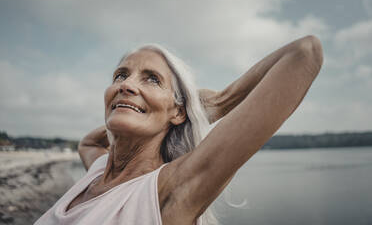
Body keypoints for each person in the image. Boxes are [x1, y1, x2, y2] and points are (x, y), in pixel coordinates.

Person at [35, 35, 323, 225]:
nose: (126, 84)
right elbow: (87, 141)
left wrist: (218, 103)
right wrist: (150, 109)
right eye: (121, 75)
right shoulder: (98, 171)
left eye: (151, 80)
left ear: (178, 112)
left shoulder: (168, 190)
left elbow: (304, 53)